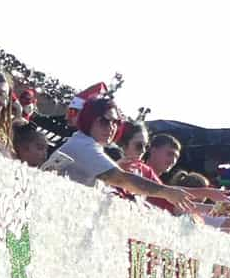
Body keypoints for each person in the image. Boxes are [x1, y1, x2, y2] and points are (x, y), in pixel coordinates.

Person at [40, 83, 194, 208]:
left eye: (115, 122)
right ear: (89, 119)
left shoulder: (86, 143)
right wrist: (167, 192)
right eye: (104, 121)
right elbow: (121, 179)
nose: (111, 127)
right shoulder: (84, 145)